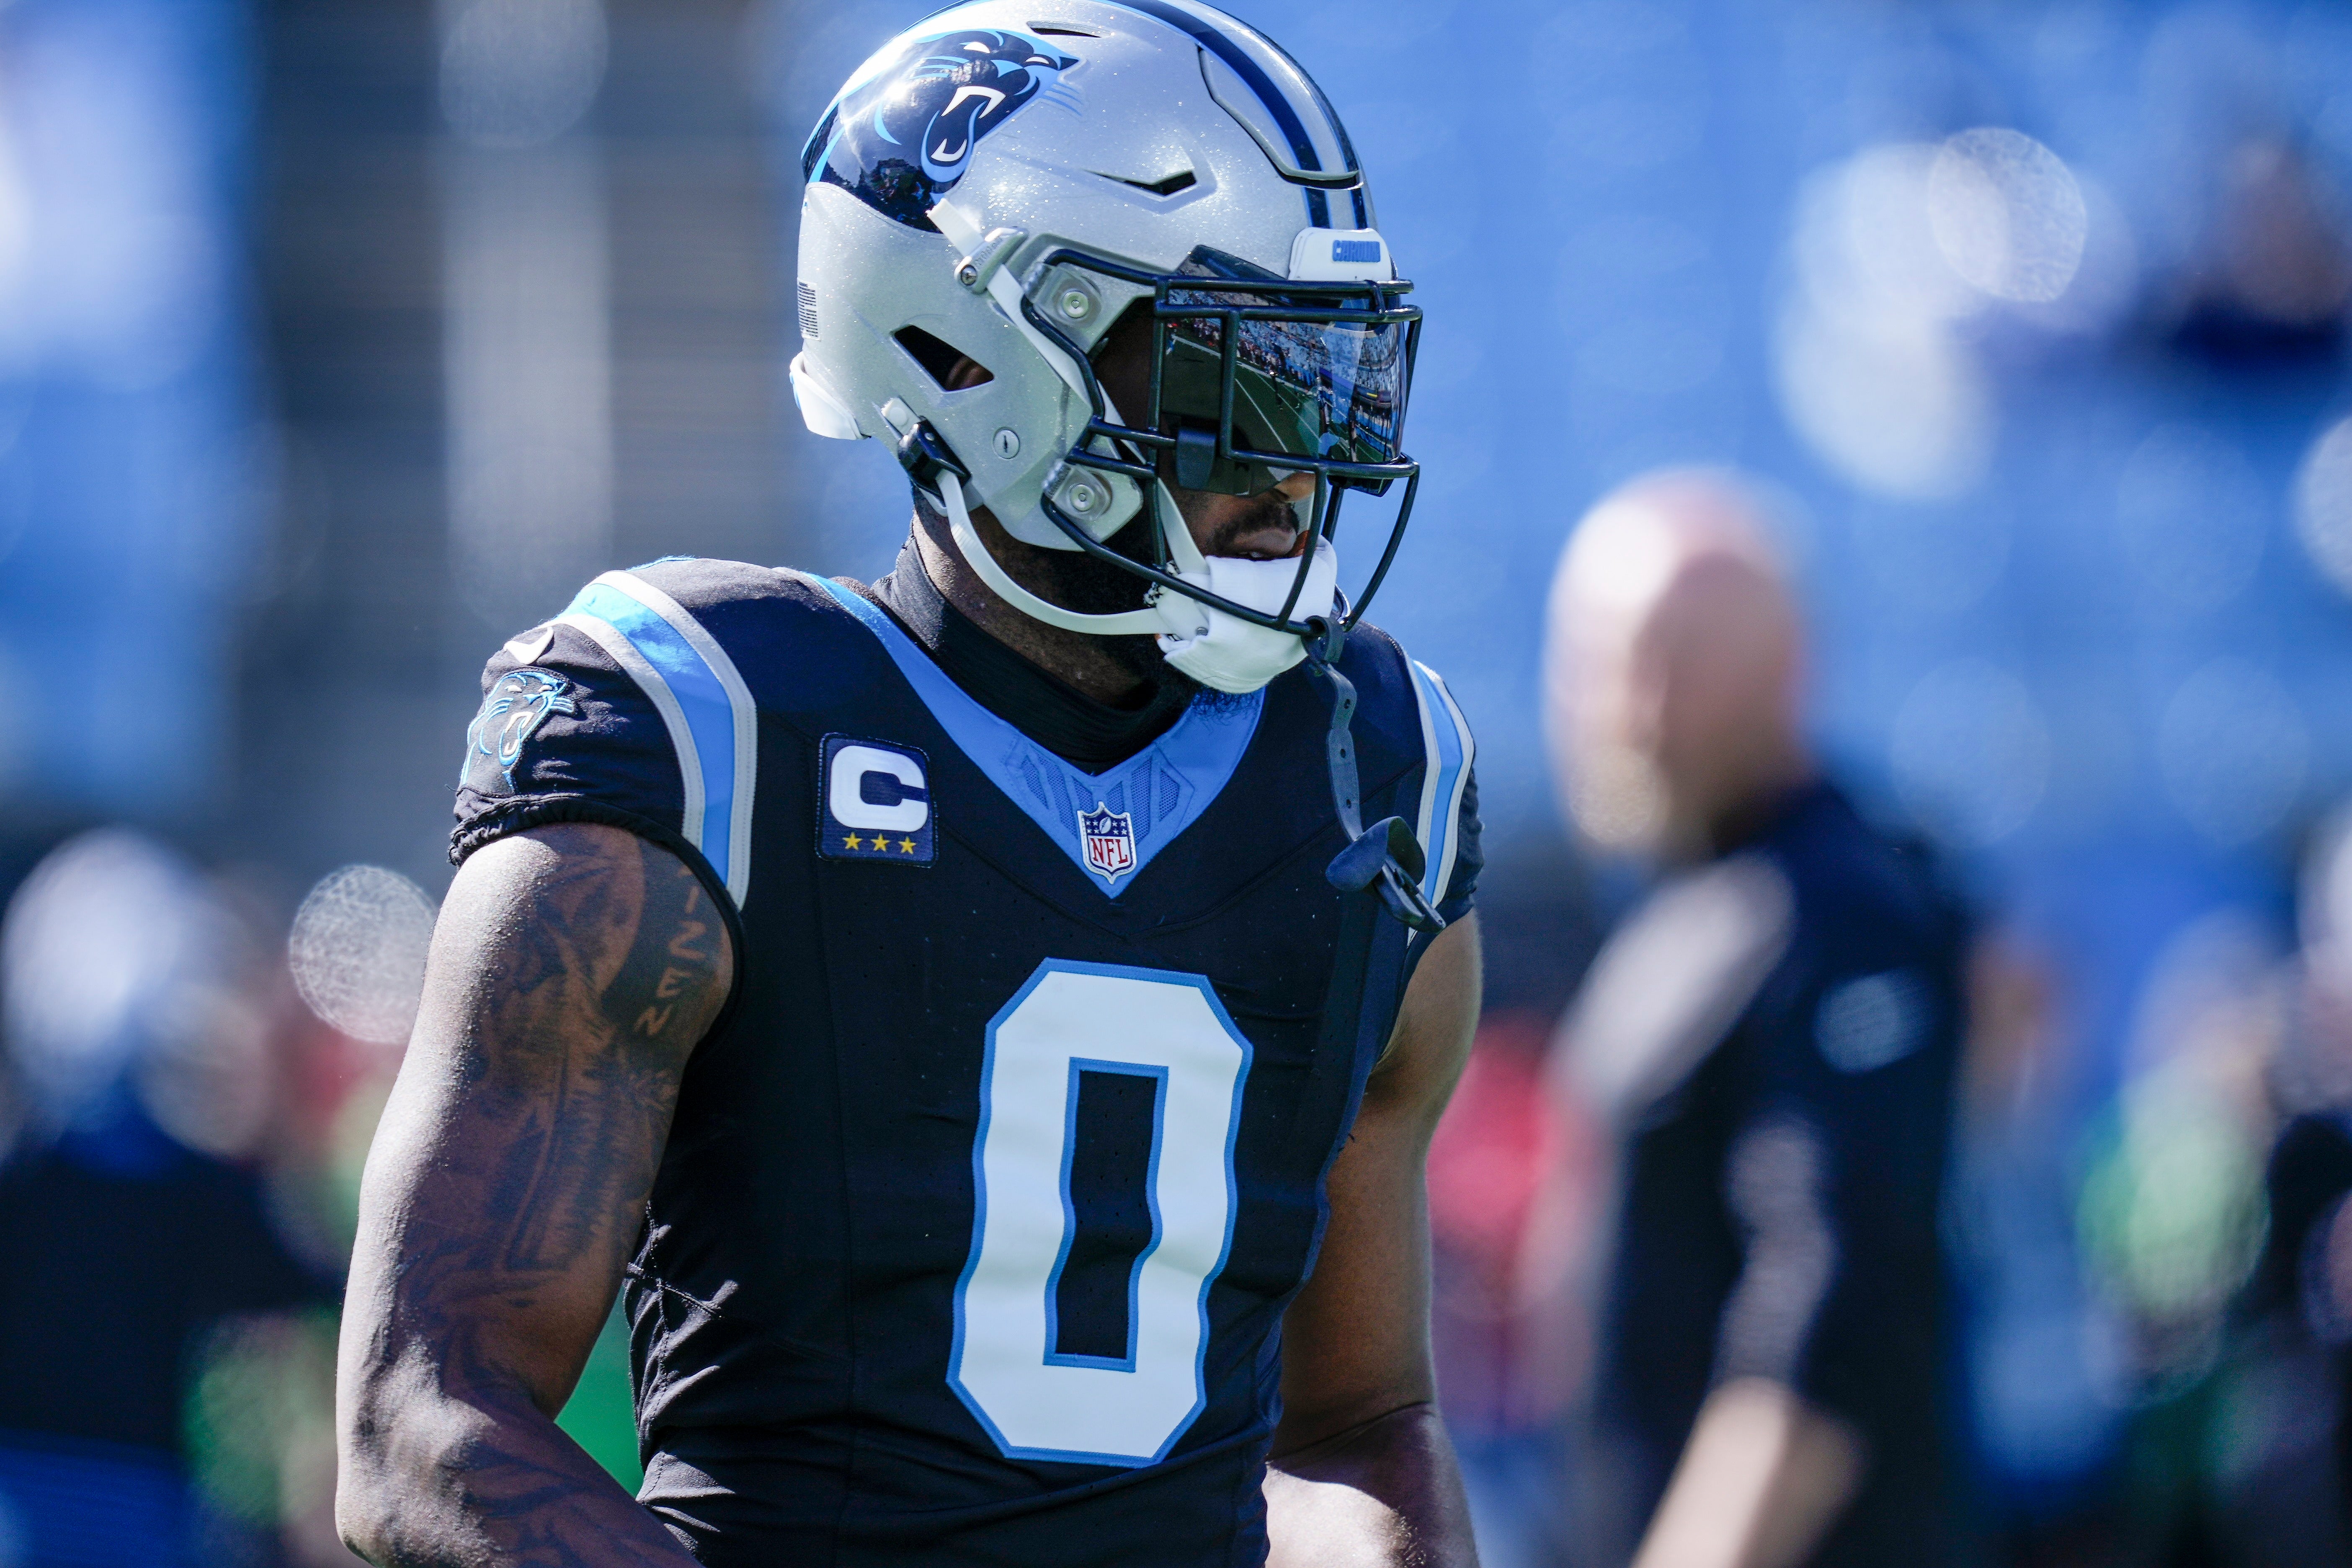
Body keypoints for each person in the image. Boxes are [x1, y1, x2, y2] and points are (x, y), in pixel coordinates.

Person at [333, 6, 1483, 1566]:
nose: (1299, 466)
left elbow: (1354, 1425)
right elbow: (426, 1422)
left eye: (1333, 383)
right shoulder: (713, 737)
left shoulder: (1371, 778)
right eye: (1240, 378)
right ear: (969, 353)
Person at [1542, 471, 1968, 1568]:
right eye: (1600, 659)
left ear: (1789, 668)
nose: (1631, 706)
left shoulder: (1840, 915)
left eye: (1677, 659)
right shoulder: (1688, 905)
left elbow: (1832, 1308)